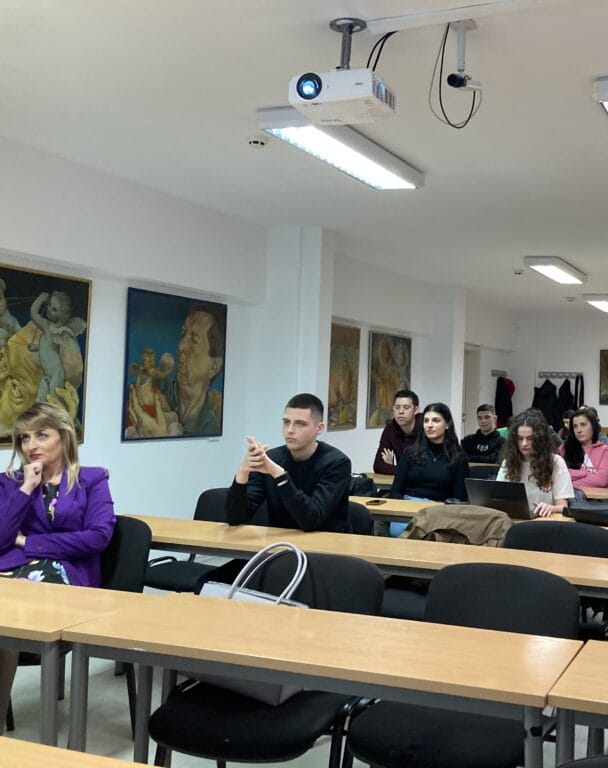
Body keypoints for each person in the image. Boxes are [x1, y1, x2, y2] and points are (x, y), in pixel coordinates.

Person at [0, 402, 115, 722]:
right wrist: (26, 488)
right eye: (24, 438)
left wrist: (29, 542)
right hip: (12, 570)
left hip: (68, 576)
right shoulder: (10, 481)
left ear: (63, 437)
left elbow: (98, 537)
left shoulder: (91, 480)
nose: (31, 446)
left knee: (9, 619)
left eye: (41, 435)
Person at [227, 393, 352, 532]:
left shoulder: (337, 463)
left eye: (300, 424)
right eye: (286, 422)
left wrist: (279, 475)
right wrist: (243, 473)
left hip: (326, 542)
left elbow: (311, 520)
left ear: (319, 428)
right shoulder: (271, 459)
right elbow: (236, 518)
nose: (290, 430)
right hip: (280, 542)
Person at [128, 303, 225, 438]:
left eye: (194, 340)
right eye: (183, 334)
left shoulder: (212, 426)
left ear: (214, 366)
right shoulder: (156, 386)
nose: (181, 345)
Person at [496, 409, 573, 517]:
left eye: (530, 438)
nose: (524, 443)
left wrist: (551, 508)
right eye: (520, 438)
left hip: (545, 520)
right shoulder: (508, 462)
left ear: (540, 439)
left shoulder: (556, 462)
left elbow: (562, 506)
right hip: (514, 519)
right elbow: (498, 499)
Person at [390, 402, 469, 503]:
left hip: (440, 508)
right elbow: (396, 491)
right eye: (426, 421)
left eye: (436, 420)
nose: (429, 425)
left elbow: (459, 498)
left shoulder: (459, 457)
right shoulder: (410, 453)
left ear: (447, 424)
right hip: (409, 504)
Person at [559, 407, 608, 488]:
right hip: (568, 495)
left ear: (593, 426)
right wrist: (585, 473)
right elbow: (558, 475)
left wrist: (569, 484)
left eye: (583, 425)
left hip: (595, 496)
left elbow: (602, 480)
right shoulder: (564, 448)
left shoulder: (605, 450)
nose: (579, 430)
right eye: (575, 426)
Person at [372, 389, 422, 475]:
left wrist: (391, 467)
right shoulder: (390, 429)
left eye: (406, 407)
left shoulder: (427, 426)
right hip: (403, 480)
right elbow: (378, 465)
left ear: (416, 410)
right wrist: (401, 469)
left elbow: (426, 470)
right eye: (397, 407)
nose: (401, 412)